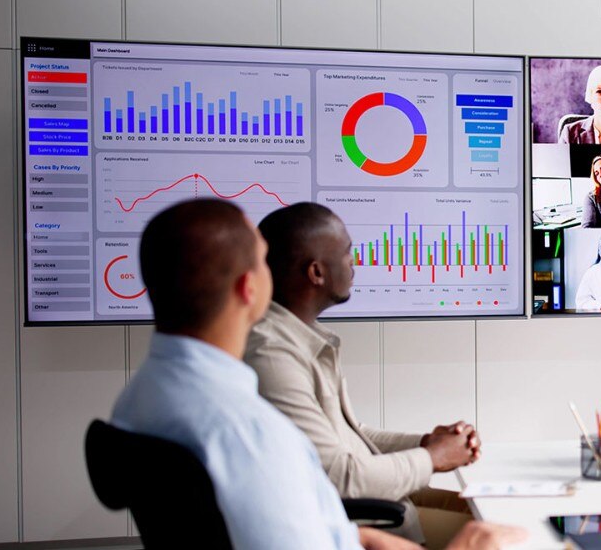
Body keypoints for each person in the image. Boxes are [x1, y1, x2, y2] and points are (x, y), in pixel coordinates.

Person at [109, 199, 524, 550]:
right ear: (249, 289)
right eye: (263, 263)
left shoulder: (142, 395)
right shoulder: (247, 425)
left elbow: (321, 520)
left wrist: (368, 530)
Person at [245, 203, 487, 546]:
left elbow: (351, 436)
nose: (354, 263)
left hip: (385, 507)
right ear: (316, 272)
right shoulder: (272, 356)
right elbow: (341, 476)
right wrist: (434, 457)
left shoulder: (298, 337)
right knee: (510, 536)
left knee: (495, 515)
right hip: (370, 525)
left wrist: (425, 443)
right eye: (347, 254)